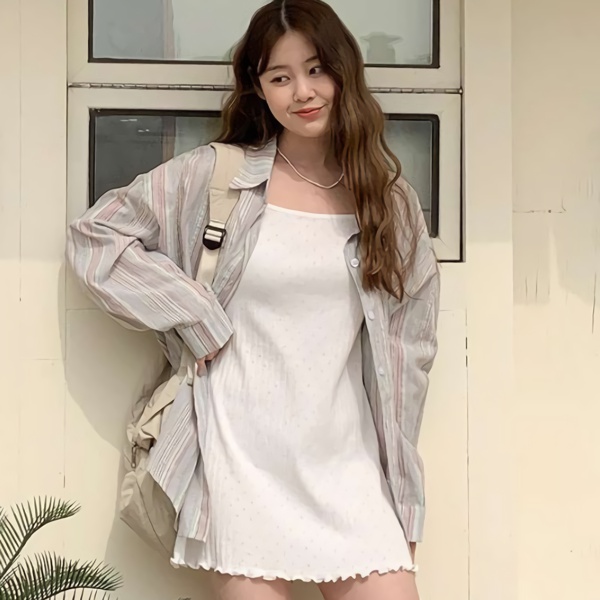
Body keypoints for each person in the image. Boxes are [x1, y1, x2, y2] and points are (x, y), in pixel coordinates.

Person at [66, 1, 440, 598]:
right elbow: (96, 236)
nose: (303, 92)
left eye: (316, 70)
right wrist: (195, 314)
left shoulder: (388, 202)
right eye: (280, 77)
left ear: (344, 71)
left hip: (346, 463)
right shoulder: (220, 178)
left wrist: (405, 496)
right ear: (258, 89)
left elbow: (408, 358)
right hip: (240, 456)